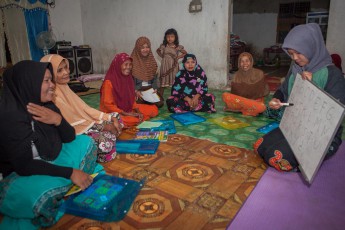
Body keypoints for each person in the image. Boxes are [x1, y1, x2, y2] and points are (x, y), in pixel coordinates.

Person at [0, 60, 103, 229]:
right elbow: (24, 166)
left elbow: (69, 138)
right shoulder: (10, 115)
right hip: (19, 173)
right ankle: (67, 182)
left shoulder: (45, 104)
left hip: (47, 159)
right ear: (28, 84)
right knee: (37, 196)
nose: (52, 86)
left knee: (86, 142)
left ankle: (62, 184)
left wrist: (58, 120)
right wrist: (70, 172)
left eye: (51, 80)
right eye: (46, 81)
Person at [254, 23, 345, 172]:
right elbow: (283, 90)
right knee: (260, 146)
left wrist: (313, 87)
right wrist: (277, 99)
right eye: (291, 53)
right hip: (294, 126)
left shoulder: (333, 75)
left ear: (311, 47)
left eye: (298, 53)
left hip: (320, 136)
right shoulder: (296, 69)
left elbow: (334, 114)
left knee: (276, 157)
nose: (295, 58)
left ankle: (308, 162)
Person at [40, 54, 122, 163]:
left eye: (66, 67)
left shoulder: (65, 87)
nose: (66, 72)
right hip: (73, 132)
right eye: (59, 70)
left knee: (116, 116)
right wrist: (101, 126)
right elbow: (72, 124)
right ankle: (97, 149)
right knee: (105, 141)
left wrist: (110, 119)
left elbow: (85, 109)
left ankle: (101, 144)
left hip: (85, 123)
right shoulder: (51, 95)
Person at [100, 53, 159, 127]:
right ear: (118, 65)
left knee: (154, 109)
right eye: (125, 64)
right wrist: (126, 113)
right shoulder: (109, 82)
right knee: (130, 120)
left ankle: (137, 117)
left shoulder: (128, 78)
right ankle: (134, 118)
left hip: (128, 108)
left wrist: (138, 111)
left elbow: (132, 100)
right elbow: (108, 105)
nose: (128, 67)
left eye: (130, 64)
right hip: (112, 112)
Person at [222, 52, 269, 116]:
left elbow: (265, 92)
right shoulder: (236, 76)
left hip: (255, 102)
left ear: (251, 61)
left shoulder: (259, 74)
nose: (245, 64)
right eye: (242, 61)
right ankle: (248, 110)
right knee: (225, 95)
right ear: (239, 63)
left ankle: (243, 109)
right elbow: (235, 95)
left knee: (261, 107)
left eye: (247, 61)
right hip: (241, 102)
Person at [131, 36, 164, 108]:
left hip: (149, 89)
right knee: (137, 103)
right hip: (138, 89)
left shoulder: (152, 61)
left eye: (147, 47)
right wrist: (136, 91)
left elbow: (154, 78)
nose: (145, 50)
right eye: (142, 47)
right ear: (138, 48)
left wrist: (155, 88)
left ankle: (147, 102)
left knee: (160, 103)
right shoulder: (132, 62)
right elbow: (129, 81)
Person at [156, 28, 187, 98]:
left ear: (175, 37)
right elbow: (157, 51)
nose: (170, 38)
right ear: (165, 38)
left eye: (172, 37)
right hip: (165, 65)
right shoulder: (163, 46)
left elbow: (185, 53)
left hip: (173, 66)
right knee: (163, 81)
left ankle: (175, 97)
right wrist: (162, 56)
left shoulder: (177, 47)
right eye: (168, 37)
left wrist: (178, 57)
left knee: (174, 82)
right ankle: (160, 97)